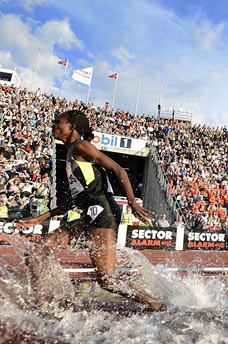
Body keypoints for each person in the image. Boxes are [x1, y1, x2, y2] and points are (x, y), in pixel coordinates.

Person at [17, 110, 165, 310]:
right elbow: (78, 198)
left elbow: (118, 169)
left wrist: (132, 201)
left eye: (57, 122)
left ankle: (158, 305)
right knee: (37, 252)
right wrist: (41, 217)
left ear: (72, 126)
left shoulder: (81, 146)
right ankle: (41, 303)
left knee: (107, 280)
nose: (53, 125)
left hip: (103, 214)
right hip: (91, 214)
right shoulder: (71, 153)